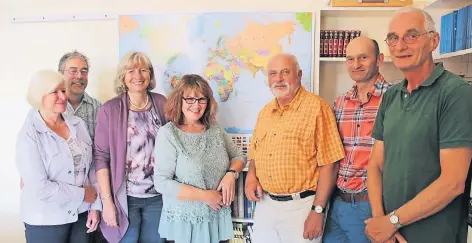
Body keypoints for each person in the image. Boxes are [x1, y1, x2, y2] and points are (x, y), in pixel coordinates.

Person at [365, 7, 472, 243]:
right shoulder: (391, 96)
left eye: (411, 35)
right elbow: (375, 165)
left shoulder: (456, 94)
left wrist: (391, 221)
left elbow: (453, 183)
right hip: (392, 234)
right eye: (393, 38)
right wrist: (380, 221)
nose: (400, 46)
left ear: (434, 41)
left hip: (434, 235)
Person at [245, 53, 345, 243]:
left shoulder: (317, 108)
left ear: (298, 75)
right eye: (273, 74)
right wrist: (251, 177)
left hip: (302, 207)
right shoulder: (265, 113)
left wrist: (318, 211)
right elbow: (255, 154)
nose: (279, 79)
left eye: (285, 72)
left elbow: (330, 164)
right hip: (266, 205)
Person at [153, 74, 246, 243]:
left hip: (216, 221)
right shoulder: (168, 134)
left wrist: (231, 174)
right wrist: (204, 196)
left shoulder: (215, 129)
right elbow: (162, 182)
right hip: (186, 226)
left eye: (201, 99)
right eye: (190, 99)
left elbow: (239, 155)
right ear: (178, 100)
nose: (196, 105)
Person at [16, 70, 101, 243]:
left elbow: (91, 166)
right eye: (55, 92)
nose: (62, 96)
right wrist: (82, 195)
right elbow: (39, 187)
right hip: (46, 219)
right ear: (40, 96)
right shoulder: (29, 135)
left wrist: (95, 206)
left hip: (81, 214)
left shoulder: (78, 124)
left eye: (63, 90)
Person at [323, 37, 392, 243]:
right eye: (350, 58)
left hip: (369, 205)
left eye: (363, 57)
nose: (356, 64)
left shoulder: (394, 99)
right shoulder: (341, 102)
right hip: (336, 203)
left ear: (379, 59)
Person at [94, 52, 167, 243]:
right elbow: (101, 158)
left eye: (143, 70)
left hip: (158, 197)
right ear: (123, 77)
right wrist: (107, 202)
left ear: (150, 75)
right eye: (131, 70)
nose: (138, 75)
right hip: (124, 199)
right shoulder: (110, 109)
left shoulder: (162, 104)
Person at [59, 50, 102, 142]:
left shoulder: (97, 108)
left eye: (84, 71)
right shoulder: (50, 105)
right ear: (60, 74)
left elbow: (102, 148)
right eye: (73, 71)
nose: (79, 76)